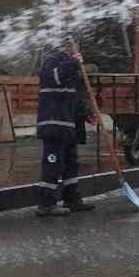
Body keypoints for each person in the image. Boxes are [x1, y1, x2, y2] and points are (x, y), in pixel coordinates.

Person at [36, 37, 94, 216]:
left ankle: (72, 199)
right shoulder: (50, 59)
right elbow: (55, 78)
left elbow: (74, 94)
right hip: (54, 122)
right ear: (66, 45)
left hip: (69, 123)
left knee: (71, 163)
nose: (76, 48)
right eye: (73, 44)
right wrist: (73, 62)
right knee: (53, 164)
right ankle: (46, 204)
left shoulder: (72, 64)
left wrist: (85, 112)